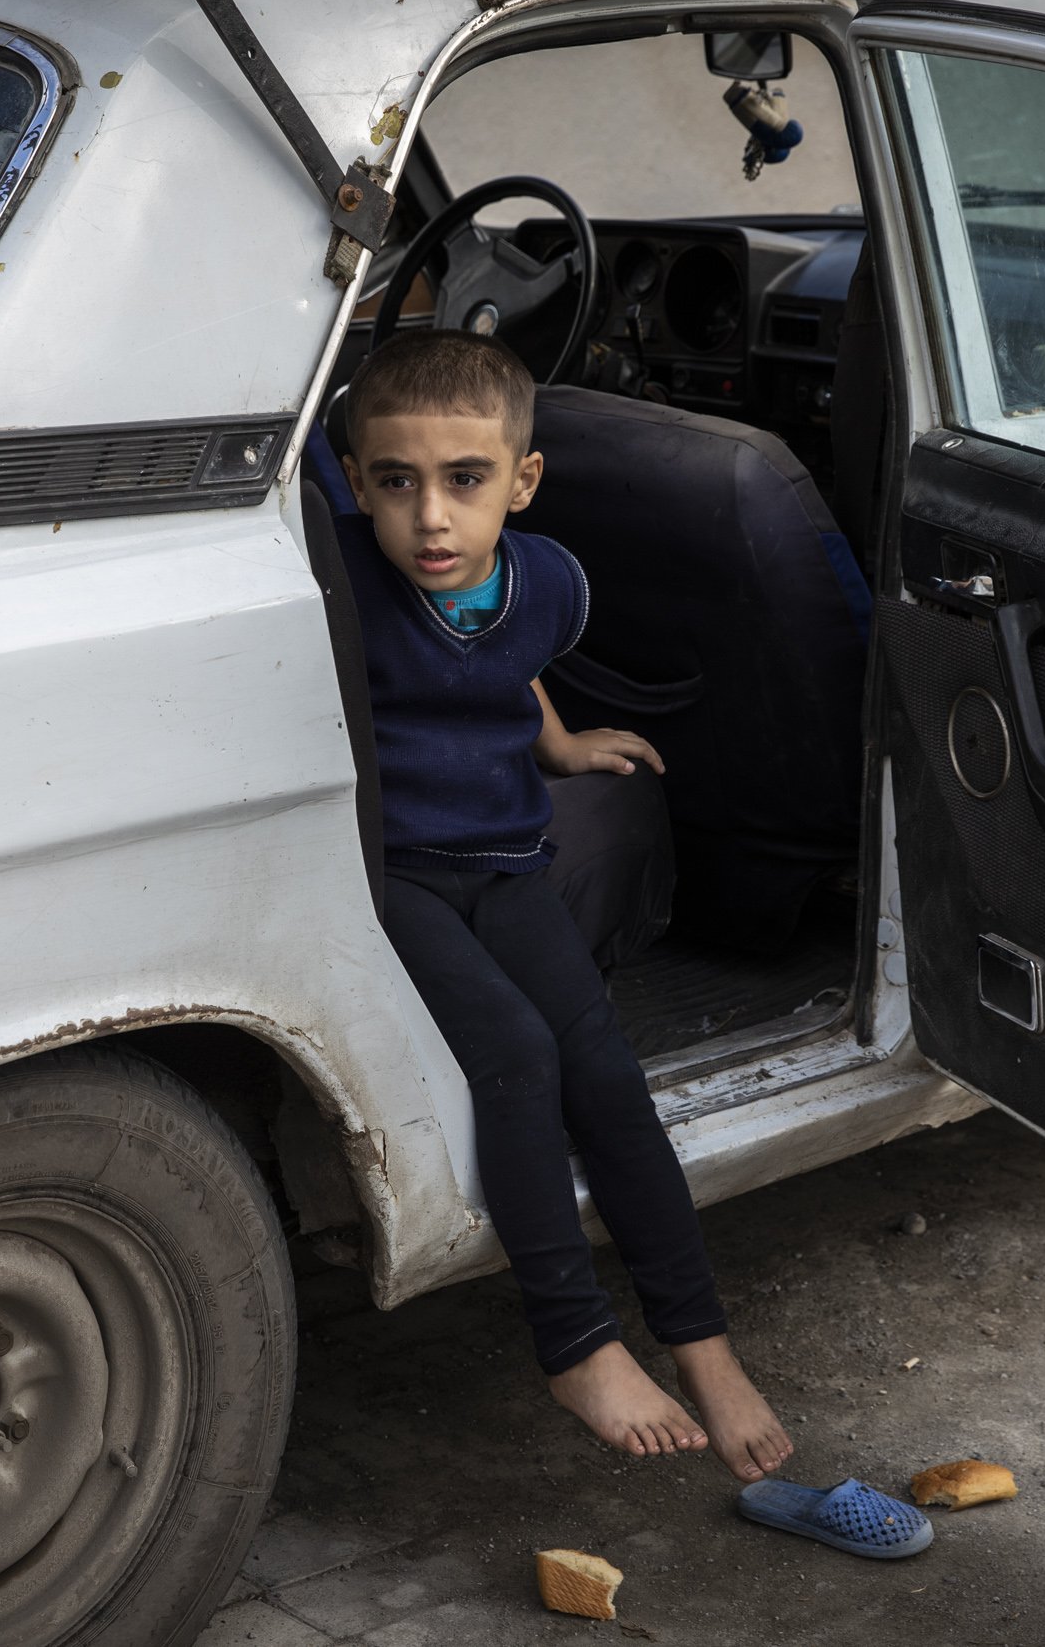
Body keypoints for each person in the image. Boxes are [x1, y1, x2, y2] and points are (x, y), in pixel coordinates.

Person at [328, 328, 794, 1482]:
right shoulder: (342, 573)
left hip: (506, 856)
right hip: (391, 874)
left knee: (605, 1067)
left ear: (520, 483)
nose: (430, 517)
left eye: (464, 481)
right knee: (519, 1057)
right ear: (356, 482)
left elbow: (512, 656)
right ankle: (575, 1340)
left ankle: (702, 1341)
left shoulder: (545, 579)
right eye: (397, 482)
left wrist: (562, 742)